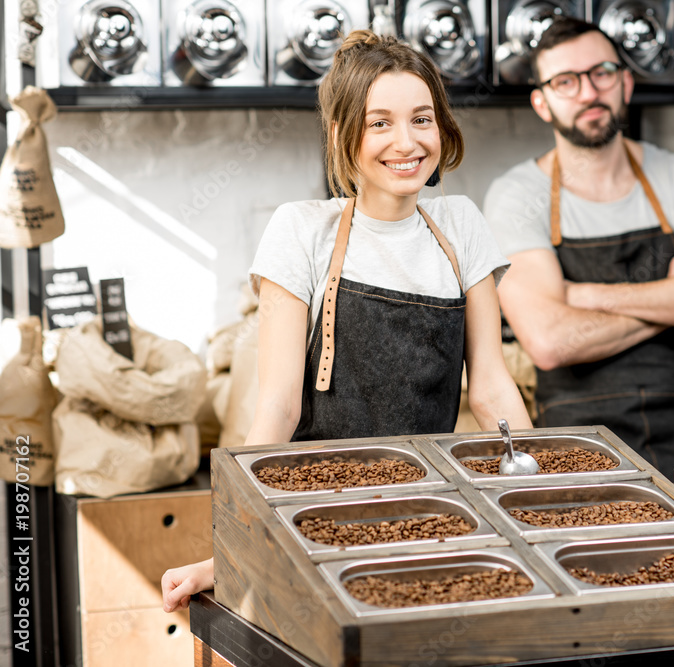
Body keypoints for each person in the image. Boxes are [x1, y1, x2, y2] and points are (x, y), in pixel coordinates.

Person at [161, 30, 532, 613]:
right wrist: (228, 547)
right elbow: (278, 407)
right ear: (341, 134)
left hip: (432, 515)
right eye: (378, 122)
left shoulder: (459, 225)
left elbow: (490, 387)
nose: (406, 141)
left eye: (422, 119)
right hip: (315, 520)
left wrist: (540, 496)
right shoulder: (301, 230)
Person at [484, 17, 674, 482]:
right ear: (542, 103)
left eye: (601, 73)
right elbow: (550, 343)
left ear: (625, 82)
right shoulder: (518, 195)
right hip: (577, 454)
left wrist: (583, 296)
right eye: (566, 81)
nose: (588, 93)